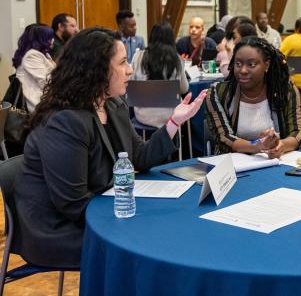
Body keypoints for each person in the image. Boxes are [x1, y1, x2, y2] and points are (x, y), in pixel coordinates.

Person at [13, 28, 207, 268]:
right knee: (155, 241)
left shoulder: (113, 104)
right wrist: (133, 216)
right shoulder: (65, 121)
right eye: (123, 62)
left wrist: (174, 121)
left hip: (100, 208)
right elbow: (72, 204)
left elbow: (140, 157)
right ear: (97, 70)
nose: (130, 70)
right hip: (61, 230)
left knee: (166, 229)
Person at [206, 36, 301, 156]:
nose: (243, 70)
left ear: (267, 65)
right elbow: (224, 137)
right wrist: (258, 146)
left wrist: (282, 145)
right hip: (233, 167)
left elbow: (300, 132)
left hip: (276, 162)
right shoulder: (218, 93)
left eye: (251, 64)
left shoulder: (285, 90)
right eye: (238, 64)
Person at [131, 22, 189, 128]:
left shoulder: (137, 57)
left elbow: (131, 85)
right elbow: (184, 89)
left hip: (143, 116)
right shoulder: (177, 59)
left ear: (151, 37)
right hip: (171, 117)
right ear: (171, 38)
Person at [13, 24, 56, 113]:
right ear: (41, 39)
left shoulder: (44, 54)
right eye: (50, 37)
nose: (53, 40)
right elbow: (45, 82)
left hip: (46, 98)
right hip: (37, 102)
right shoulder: (32, 55)